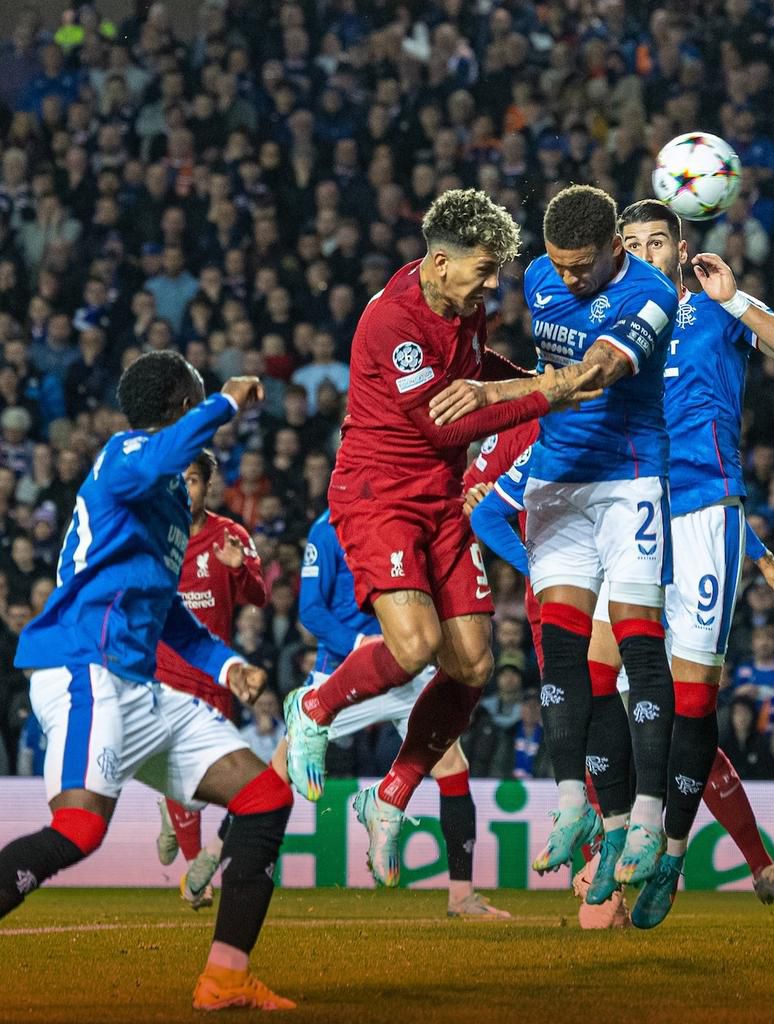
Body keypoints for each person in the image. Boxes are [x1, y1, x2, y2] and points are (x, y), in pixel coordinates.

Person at [471, 197, 774, 925]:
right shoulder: (606, 311)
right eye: (635, 242)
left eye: (662, 240)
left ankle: (672, 851)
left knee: (691, 702)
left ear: (681, 247)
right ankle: (619, 829)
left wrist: (738, 297)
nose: (649, 251)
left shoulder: (708, 313)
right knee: (597, 680)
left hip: (706, 512)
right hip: (636, 500)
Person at [283, 189, 597, 888]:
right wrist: (549, 392)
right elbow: (445, 425)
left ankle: (389, 796)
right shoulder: (394, 322)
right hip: (379, 495)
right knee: (416, 646)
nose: (493, 285)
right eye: (484, 271)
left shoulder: (463, 305)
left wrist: (525, 382)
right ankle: (313, 708)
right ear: (438, 263)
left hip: (441, 498)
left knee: (473, 664)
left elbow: (475, 377)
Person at [0, 352, 294, 1011]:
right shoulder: (123, 456)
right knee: (78, 831)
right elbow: (162, 455)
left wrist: (227, 665)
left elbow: (173, 623)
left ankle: (225, 977)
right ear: (181, 403)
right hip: (86, 666)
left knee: (265, 798)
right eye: (196, 396)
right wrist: (224, 403)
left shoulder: (163, 500)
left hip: (145, 685)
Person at [299, 509, 509, 918]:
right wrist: (359, 641)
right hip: (345, 667)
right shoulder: (326, 528)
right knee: (281, 763)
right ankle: (221, 851)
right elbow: (311, 610)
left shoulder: (413, 514)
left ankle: (461, 896)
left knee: (451, 762)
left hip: (409, 665)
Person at [152, 449, 267, 910]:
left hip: (216, 677)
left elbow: (259, 595)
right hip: (163, 675)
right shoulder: (155, 537)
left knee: (214, 782)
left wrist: (239, 571)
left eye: (194, 481)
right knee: (185, 773)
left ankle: (171, 810)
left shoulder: (231, 535)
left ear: (207, 486)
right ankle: (197, 871)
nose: (185, 489)